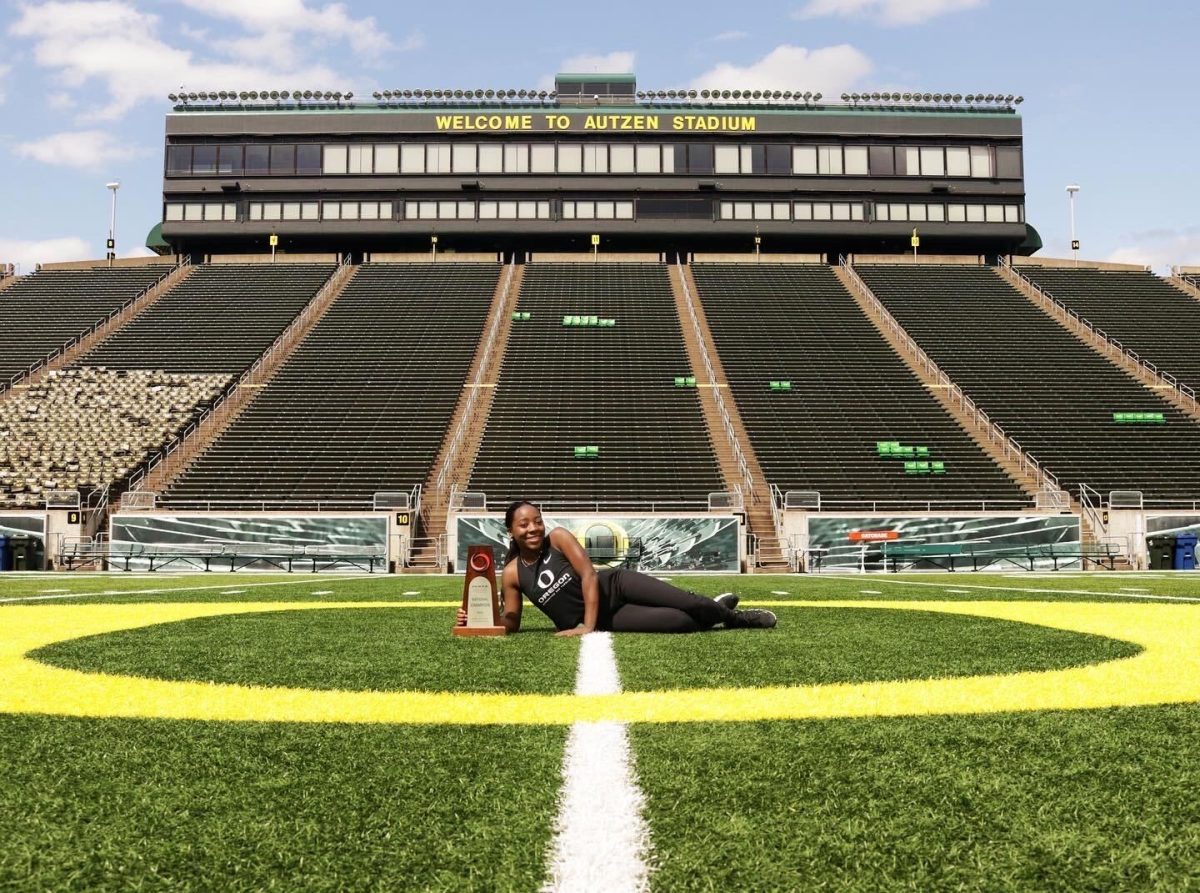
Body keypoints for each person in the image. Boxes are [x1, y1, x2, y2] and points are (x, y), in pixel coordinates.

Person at [456, 501, 777, 636]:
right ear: (511, 531)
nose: (533, 528)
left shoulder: (559, 538)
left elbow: (589, 577)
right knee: (681, 622)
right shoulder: (512, 572)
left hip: (616, 587)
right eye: (524, 524)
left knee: (689, 602)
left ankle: (735, 619)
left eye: (537, 521)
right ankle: (716, 609)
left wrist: (587, 627)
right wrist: (479, 619)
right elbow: (511, 621)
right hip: (609, 617)